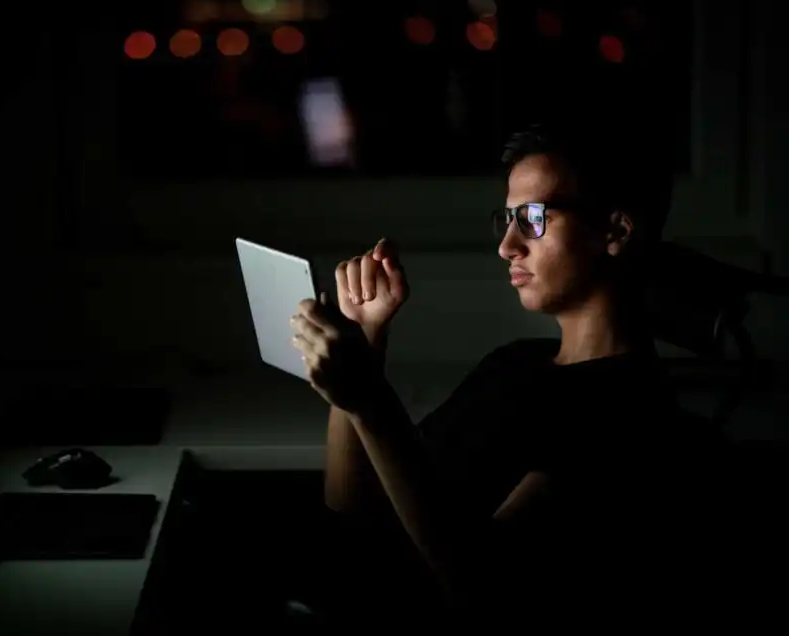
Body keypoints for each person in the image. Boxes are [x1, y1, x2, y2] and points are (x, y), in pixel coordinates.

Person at [289, 120, 729, 627]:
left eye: (535, 218)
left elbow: (484, 587)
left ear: (616, 230)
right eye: (509, 219)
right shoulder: (514, 363)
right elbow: (349, 507)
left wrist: (368, 399)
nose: (508, 246)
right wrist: (365, 349)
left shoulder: (629, 415)